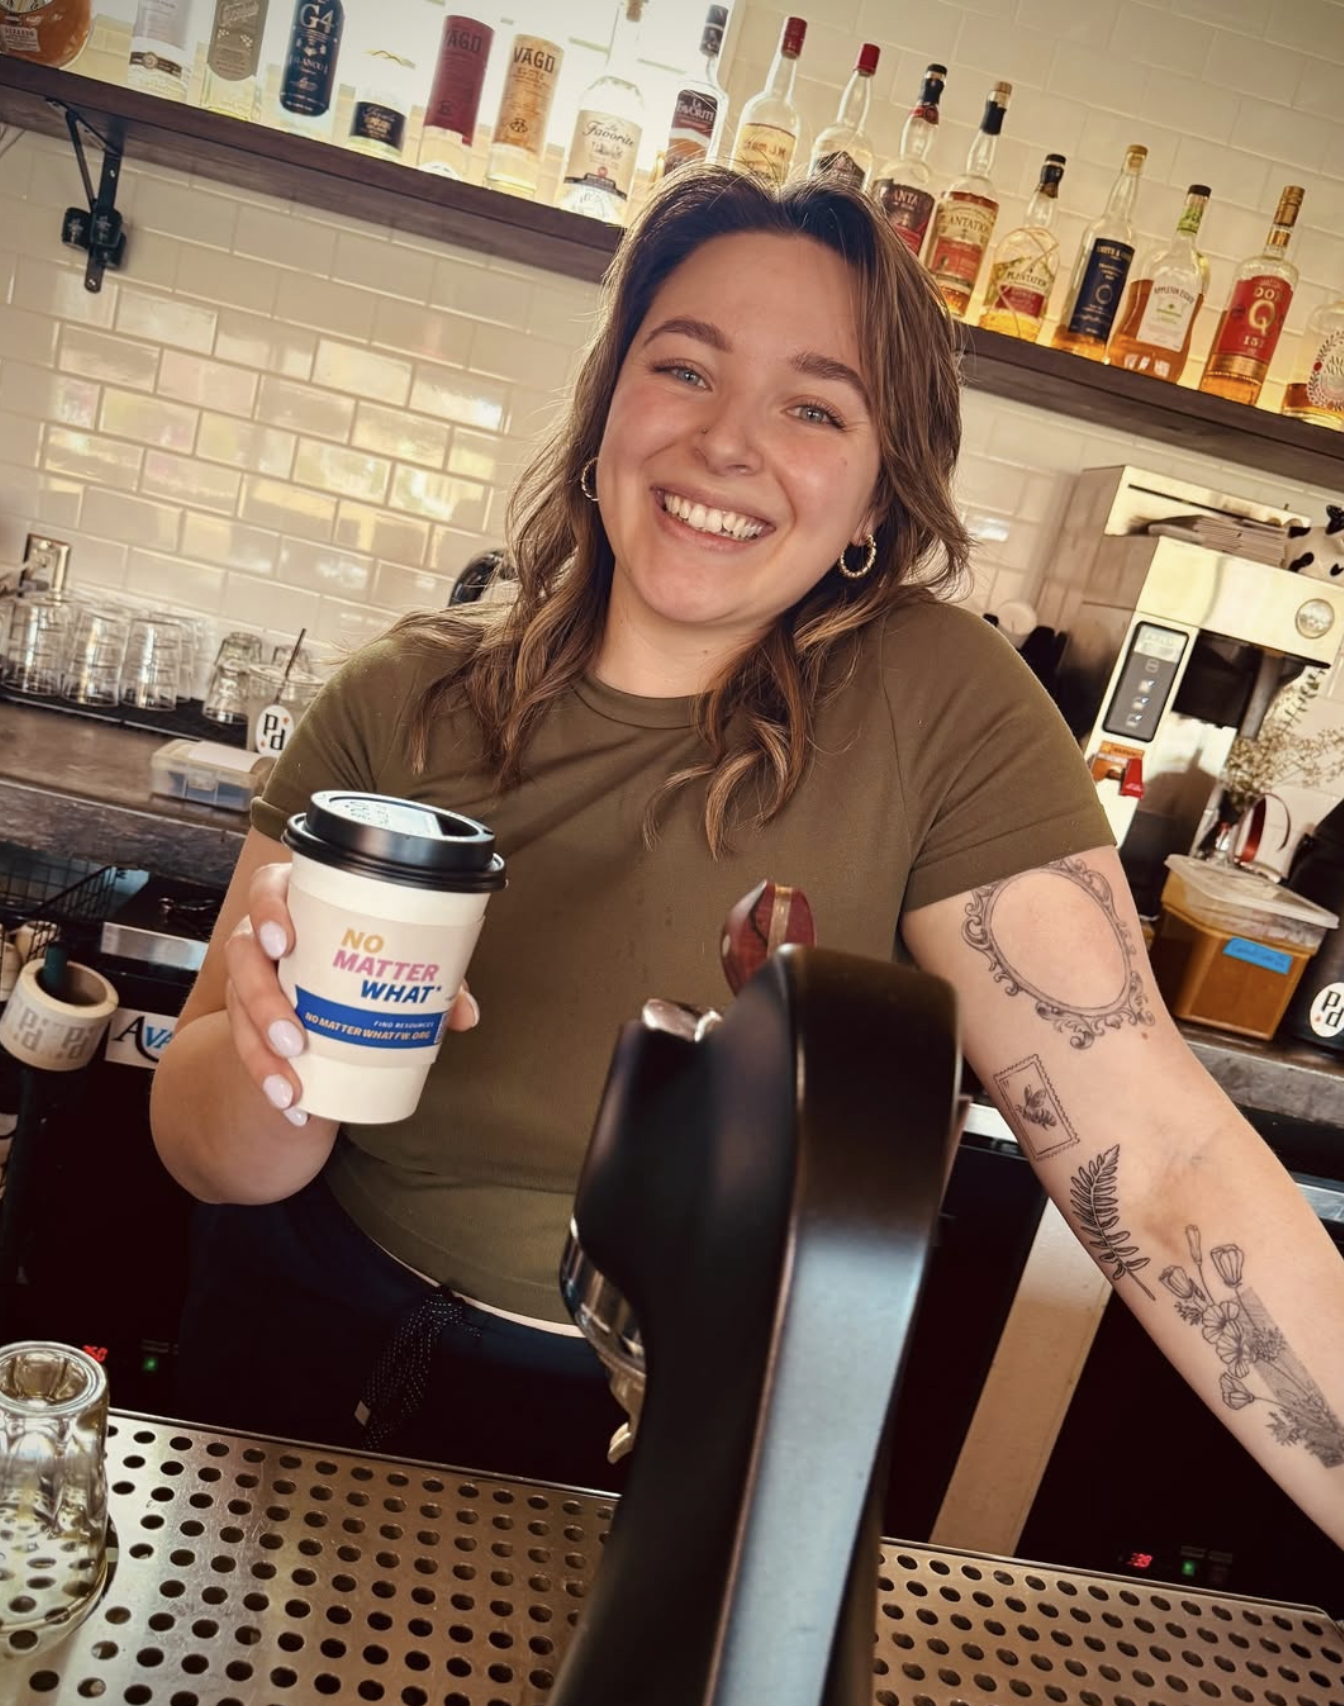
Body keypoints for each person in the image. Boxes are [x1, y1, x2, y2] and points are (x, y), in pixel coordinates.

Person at [150, 166, 1344, 1547]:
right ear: (607, 410)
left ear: (876, 498)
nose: (728, 443)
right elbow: (205, 1144)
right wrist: (280, 1057)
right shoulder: (399, 700)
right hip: (300, 1375)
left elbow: (1162, 1158)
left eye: (815, 406)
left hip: (666, 1443)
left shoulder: (940, 710)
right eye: (684, 368)